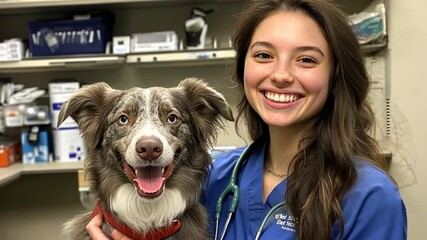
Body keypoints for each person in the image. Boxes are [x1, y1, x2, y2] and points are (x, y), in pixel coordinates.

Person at [87, 0, 407, 239]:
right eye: (264, 55)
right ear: (244, 70)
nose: (280, 75)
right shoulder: (211, 178)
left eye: (306, 59)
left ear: (336, 76)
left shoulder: (370, 197)